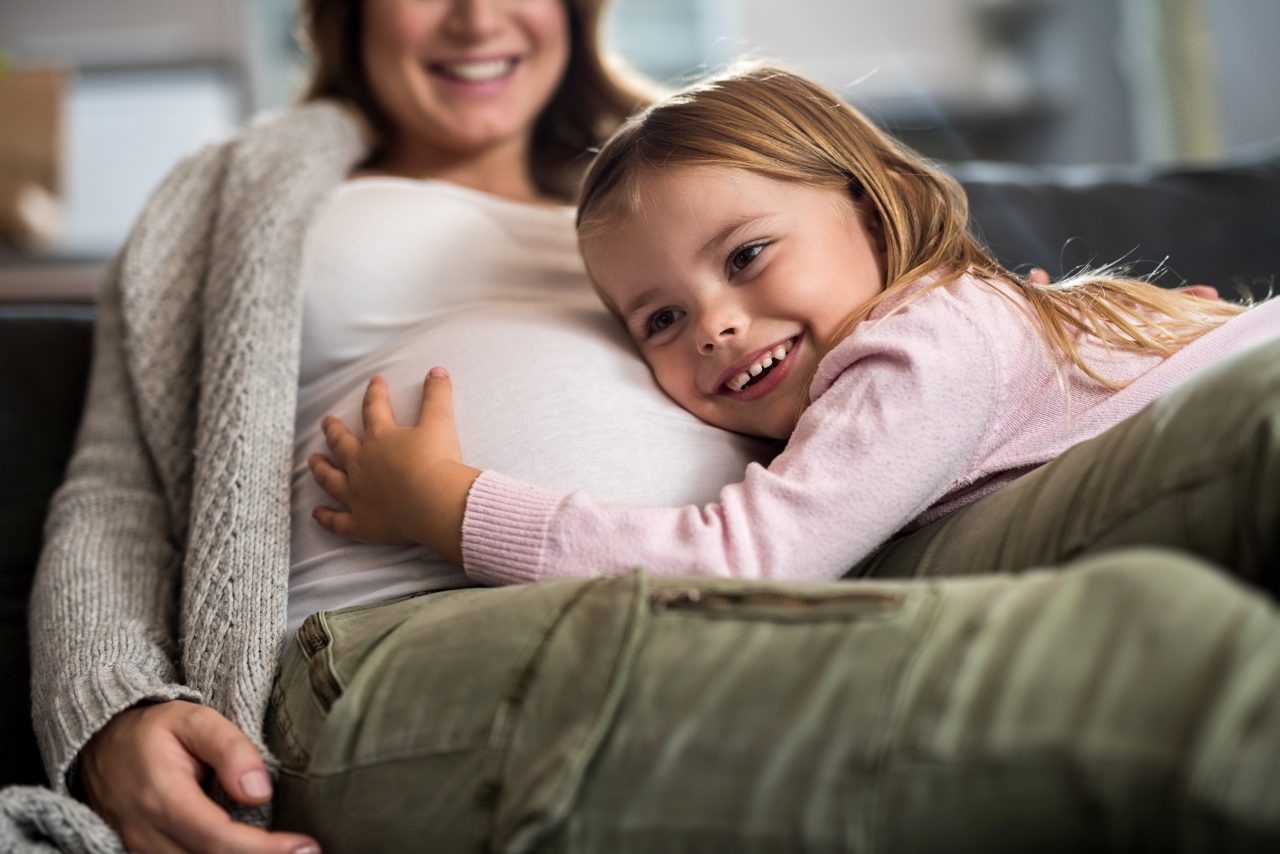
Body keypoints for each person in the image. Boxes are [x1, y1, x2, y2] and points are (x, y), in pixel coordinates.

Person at [10, 10, 1280, 854]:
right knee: (1150, 656)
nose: (470, 14)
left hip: (840, 565)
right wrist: (111, 704)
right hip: (395, 630)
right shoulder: (239, 186)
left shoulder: (697, 153)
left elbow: (949, 360)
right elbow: (118, 485)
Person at [307, 65, 1279, 587]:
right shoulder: (970, 330)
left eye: (744, 257)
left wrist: (454, 507)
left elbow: (742, 561)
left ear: (874, 205)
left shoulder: (922, 347)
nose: (715, 326)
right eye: (659, 317)